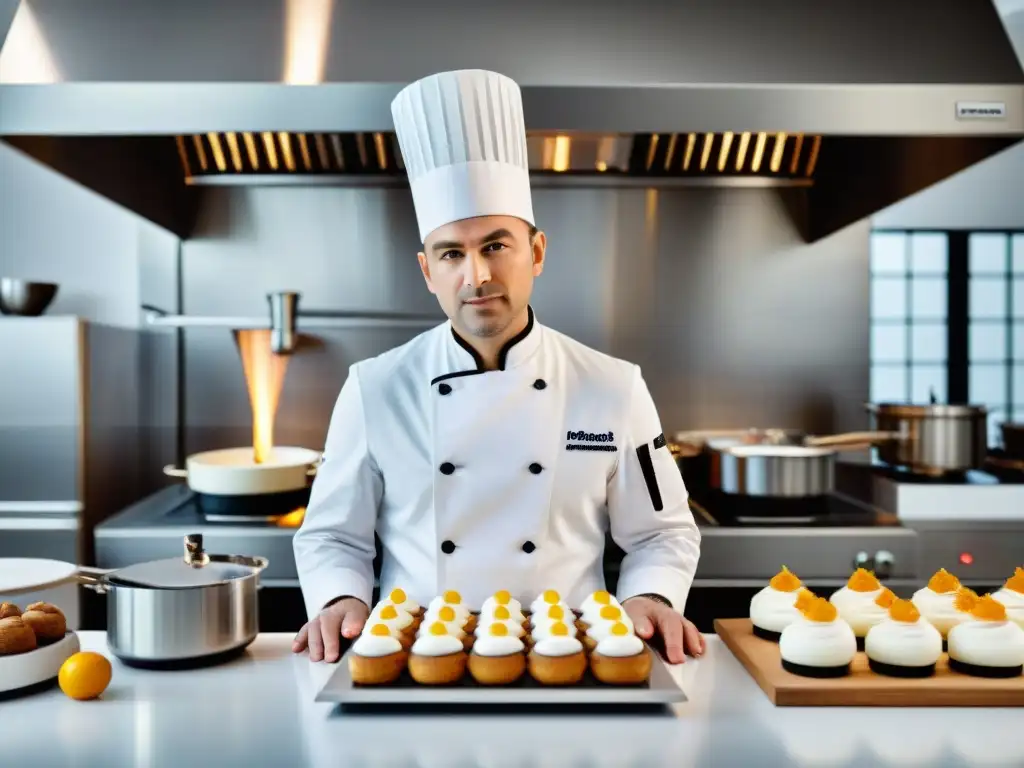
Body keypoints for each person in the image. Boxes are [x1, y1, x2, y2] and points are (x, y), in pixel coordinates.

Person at [292, 69, 703, 665]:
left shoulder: (614, 387)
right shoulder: (373, 388)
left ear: (535, 252)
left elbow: (662, 531)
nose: (476, 275)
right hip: (411, 659)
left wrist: (652, 595)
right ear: (428, 271)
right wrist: (337, 599)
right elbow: (332, 535)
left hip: (573, 658)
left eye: (495, 246)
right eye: (452, 254)